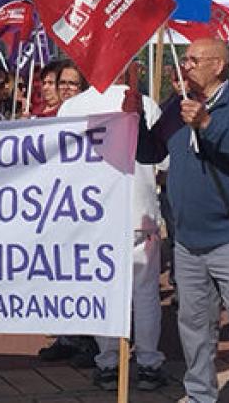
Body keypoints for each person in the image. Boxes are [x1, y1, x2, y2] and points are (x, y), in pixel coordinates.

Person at [136, 37, 229, 402]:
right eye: (184, 58)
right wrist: (135, 113)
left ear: (219, 65)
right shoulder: (178, 104)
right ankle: (200, 395)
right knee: (194, 329)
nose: (186, 65)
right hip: (187, 241)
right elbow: (149, 150)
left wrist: (208, 123)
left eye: (195, 59)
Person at [61, 62, 167, 392]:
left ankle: (108, 364)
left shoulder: (73, 107)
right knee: (146, 294)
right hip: (140, 213)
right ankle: (148, 363)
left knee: (104, 291)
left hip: (96, 214)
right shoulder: (145, 103)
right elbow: (164, 161)